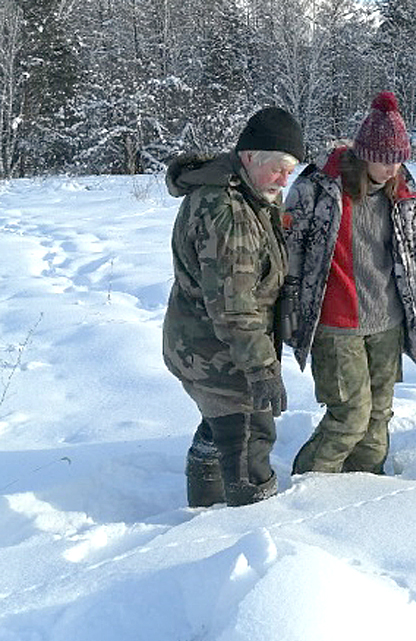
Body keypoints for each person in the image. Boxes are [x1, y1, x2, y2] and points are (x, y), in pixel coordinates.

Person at [283, 91, 416, 475]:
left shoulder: (402, 193)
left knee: (376, 422)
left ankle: (367, 496)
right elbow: (289, 254)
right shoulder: (318, 187)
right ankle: (306, 492)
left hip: (387, 323)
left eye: (399, 159)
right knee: (351, 416)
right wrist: (284, 311)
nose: (392, 168)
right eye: (384, 159)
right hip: (336, 325)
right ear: (362, 152)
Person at [163, 106, 304, 507]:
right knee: (249, 439)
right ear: (249, 157)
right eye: (278, 167)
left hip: (206, 346)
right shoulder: (227, 211)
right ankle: (245, 529)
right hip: (219, 354)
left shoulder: (248, 195)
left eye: (290, 168)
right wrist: (261, 371)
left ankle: (204, 505)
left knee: (218, 428)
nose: (285, 177)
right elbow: (234, 306)